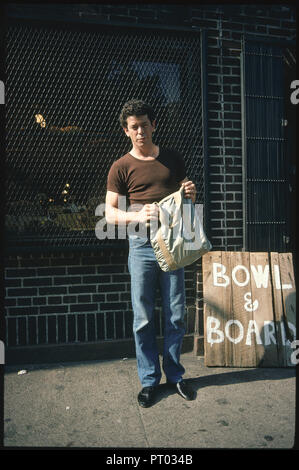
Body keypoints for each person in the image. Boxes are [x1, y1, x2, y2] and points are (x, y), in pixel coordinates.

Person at [105, 99, 196, 407]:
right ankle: (148, 381)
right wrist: (135, 216)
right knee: (143, 317)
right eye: (134, 127)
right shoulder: (121, 167)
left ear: (153, 125)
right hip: (140, 246)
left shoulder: (172, 158)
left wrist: (191, 195)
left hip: (172, 241)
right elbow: (109, 215)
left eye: (145, 124)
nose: (140, 131)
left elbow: (183, 198)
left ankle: (175, 375)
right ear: (126, 131)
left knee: (176, 313)